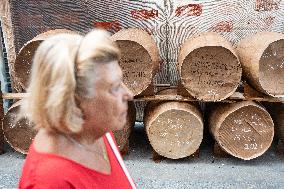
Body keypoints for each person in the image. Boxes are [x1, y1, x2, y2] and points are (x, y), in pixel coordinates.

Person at [18, 29, 136, 188]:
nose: (128, 94)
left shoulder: (97, 131)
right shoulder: (50, 180)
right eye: (114, 88)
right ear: (75, 101)